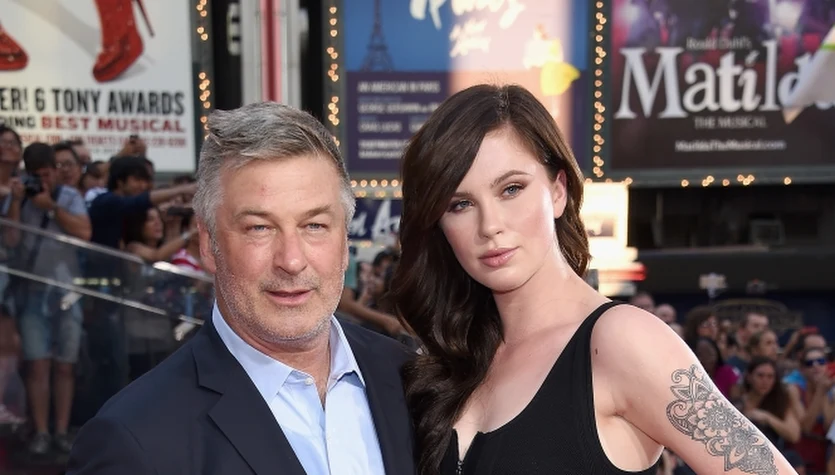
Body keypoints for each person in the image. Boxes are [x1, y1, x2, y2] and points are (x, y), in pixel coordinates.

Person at [391, 84, 794, 474]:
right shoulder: (455, 356)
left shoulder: (621, 340)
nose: (490, 225)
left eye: (511, 189)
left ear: (558, 191)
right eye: (460, 204)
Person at [66, 102, 415, 474]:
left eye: (314, 225)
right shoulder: (134, 441)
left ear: (344, 240)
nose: (291, 260)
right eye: (259, 228)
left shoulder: (410, 379)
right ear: (208, 243)